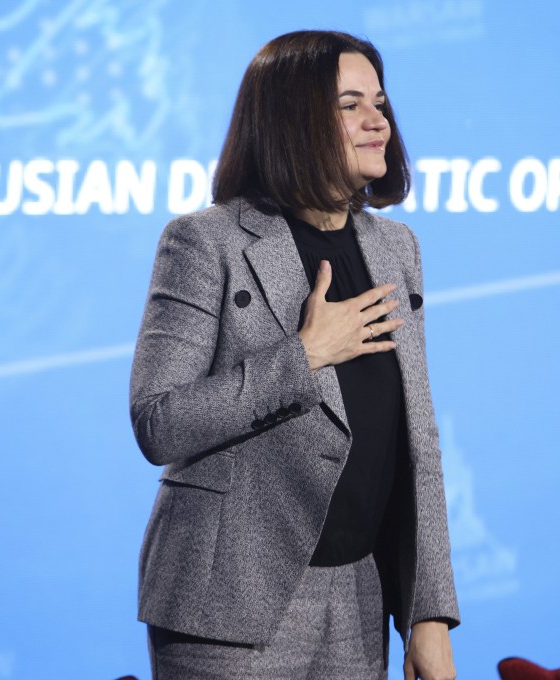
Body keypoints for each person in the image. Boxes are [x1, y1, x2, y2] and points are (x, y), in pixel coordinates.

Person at [129, 30, 458, 680]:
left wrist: (429, 615)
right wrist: (304, 356)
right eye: (351, 105)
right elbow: (159, 421)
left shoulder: (396, 248)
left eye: (381, 103)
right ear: (293, 116)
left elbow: (415, 441)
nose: (378, 123)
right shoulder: (207, 242)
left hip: (360, 595)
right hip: (228, 602)